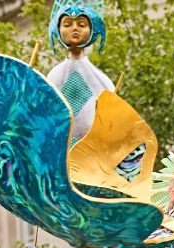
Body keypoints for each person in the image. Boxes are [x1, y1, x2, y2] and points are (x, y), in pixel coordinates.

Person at [46, 0, 114, 143]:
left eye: (81, 24)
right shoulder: (53, 77)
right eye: (67, 24)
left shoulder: (102, 81)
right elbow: (47, 116)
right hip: (61, 148)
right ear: (58, 29)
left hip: (92, 150)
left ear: (92, 30)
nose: (74, 29)